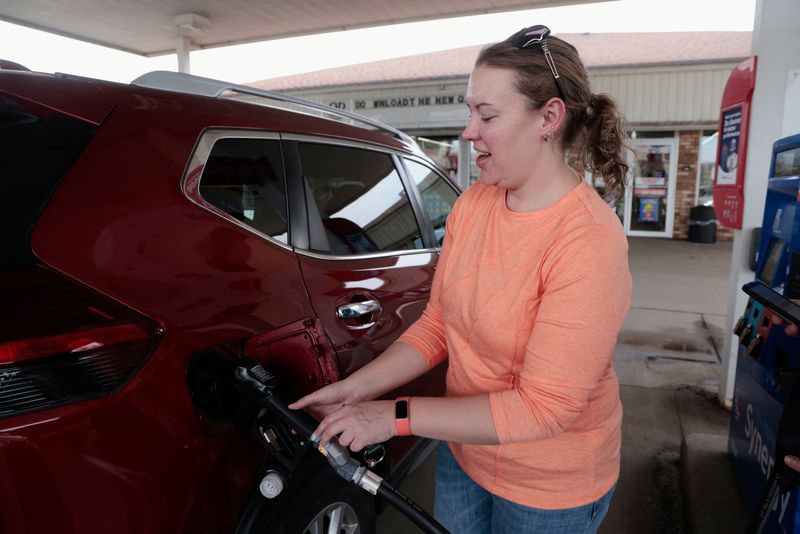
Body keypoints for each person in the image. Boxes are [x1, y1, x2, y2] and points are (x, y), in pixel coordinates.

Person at [290, 24, 632, 534]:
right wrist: (355, 391)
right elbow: (439, 325)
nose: (468, 131)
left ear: (549, 117)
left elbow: (544, 409)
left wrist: (393, 417)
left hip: (549, 489)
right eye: (470, 111)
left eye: (486, 114)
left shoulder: (588, 242)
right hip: (466, 457)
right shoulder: (475, 204)